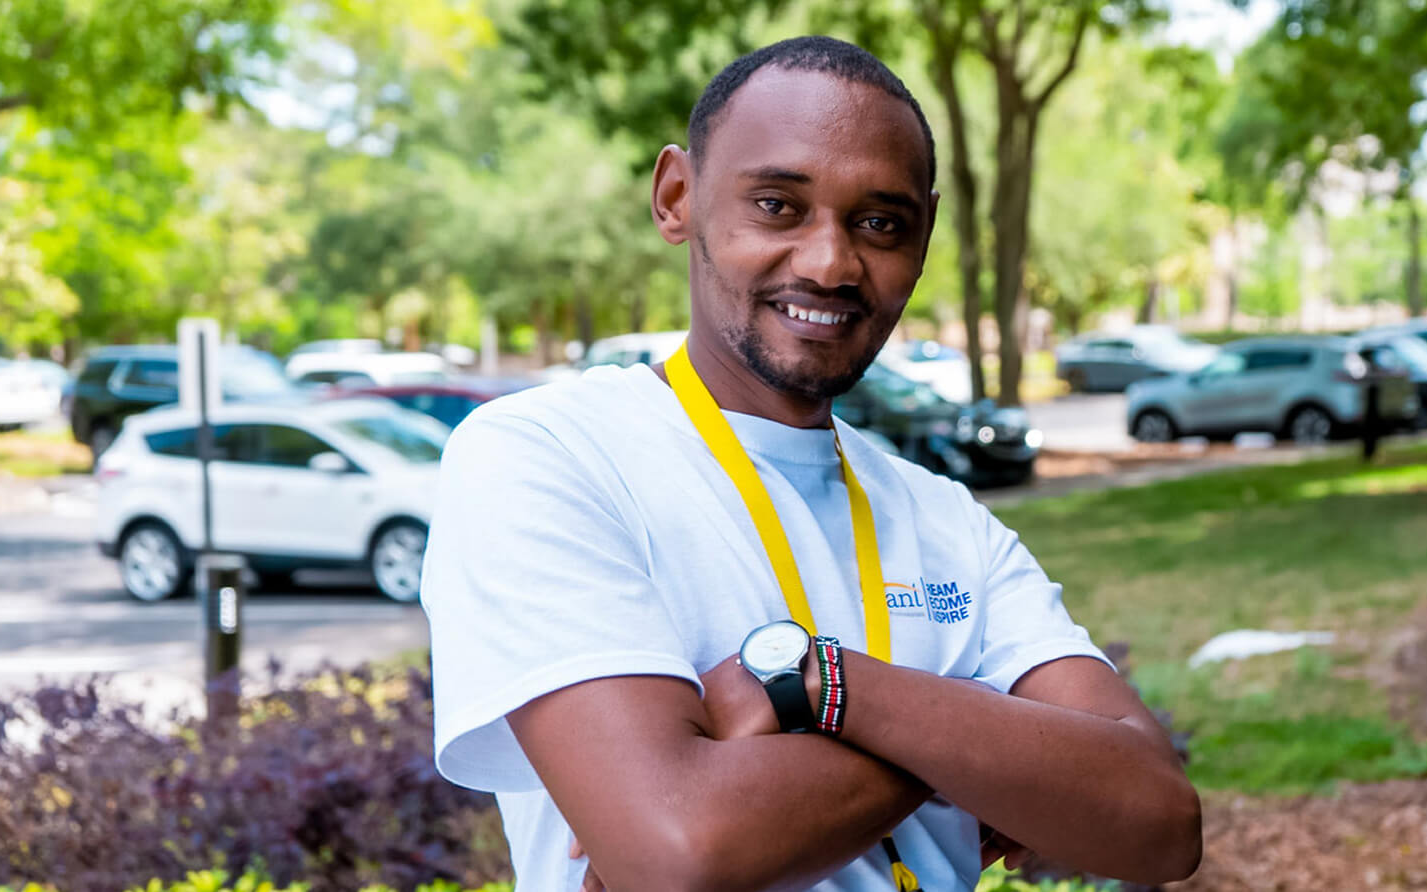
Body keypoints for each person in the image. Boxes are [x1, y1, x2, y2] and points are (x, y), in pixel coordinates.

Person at [420, 36, 1201, 892]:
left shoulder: (947, 520)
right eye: (778, 206)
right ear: (678, 196)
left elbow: (1157, 820)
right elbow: (679, 849)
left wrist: (824, 687)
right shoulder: (548, 457)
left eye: (879, 223)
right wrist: (986, 753)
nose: (831, 262)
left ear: (925, 235)